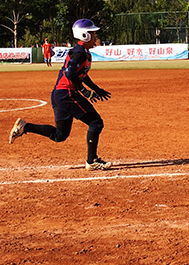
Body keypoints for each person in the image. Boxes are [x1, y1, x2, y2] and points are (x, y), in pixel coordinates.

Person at [9, 19, 112, 170]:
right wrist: (84, 91)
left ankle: (25, 127)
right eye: (92, 33)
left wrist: (96, 89)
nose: (95, 36)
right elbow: (70, 73)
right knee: (96, 123)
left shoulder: (83, 52)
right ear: (85, 35)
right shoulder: (79, 52)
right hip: (67, 94)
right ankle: (92, 161)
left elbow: (81, 74)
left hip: (60, 94)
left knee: (60, 135)